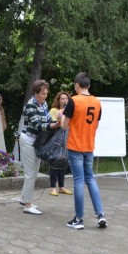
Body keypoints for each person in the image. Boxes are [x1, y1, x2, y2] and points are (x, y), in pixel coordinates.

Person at [61, 73, 107, 230]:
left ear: (76, 85)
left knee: (78, 181)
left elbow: (63, 125)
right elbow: (96, 125)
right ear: (89, 85)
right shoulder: (97, 102)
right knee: (90, 179)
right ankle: (100, 215)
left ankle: (79, 219)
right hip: (89, 146)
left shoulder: (74, 100)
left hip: (75, 146)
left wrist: (62, 116)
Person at [19, 80, 60, 215]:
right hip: (28, 140)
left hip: (37, 141)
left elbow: (48, 120)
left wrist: (57, 121)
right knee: (31, 173)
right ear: (36, 92)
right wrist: (54, 125)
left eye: (46, 94)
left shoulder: (44, 104)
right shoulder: (30, 105)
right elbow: (38, 125)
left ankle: (24, 198)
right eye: (43, 94)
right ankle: (27, 205)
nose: (45, 96)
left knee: (33, 171)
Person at [48, 91, 72, 196]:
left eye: (66, 99)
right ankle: (53, 188)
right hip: (56, 139)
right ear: (58, 100)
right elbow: (51, 123)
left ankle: (61, 187)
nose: (64, 100)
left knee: (63, 162)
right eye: (62, 99)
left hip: (66, 139)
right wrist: (60, 115)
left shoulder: (70, 111)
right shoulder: (54, 110)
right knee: (55, 162)